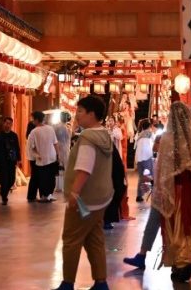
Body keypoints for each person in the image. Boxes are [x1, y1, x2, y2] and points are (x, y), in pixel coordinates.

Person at [53, 95, 113, 290]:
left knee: (71, 239)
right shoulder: (105, 135)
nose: (76, 115)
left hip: (83, 200)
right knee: (94, 239)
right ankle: (101, 282)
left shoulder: (87, 138)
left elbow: (84, 168)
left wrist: (74, 193)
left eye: (80, 111)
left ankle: (67, 283)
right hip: (101, 198)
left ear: (92, 114)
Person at [152, 101, 191, 283]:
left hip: (172, 188)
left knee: (173, 225)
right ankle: (187, 259)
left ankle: (178, 262)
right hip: (188, 187)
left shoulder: (166, 140)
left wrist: (163, 186)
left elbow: (161, 168)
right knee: (187, 224)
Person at [123, 134, 162, 270]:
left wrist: (151, 180)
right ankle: (141, 255)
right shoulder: (159, 159)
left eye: (156, 142)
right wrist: (151, 180)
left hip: (163, 199)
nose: (154, 145)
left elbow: (164, 180)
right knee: (153, 227)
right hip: (161, 198)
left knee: (157, 227)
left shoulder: (164, 159)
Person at [29, 111, 59, 202]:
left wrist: (37, 155)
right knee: (51, 177)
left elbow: (32, 147)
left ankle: (44, 196)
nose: (32, 121)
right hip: (52, 157)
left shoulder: (34, 131)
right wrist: (57, 155)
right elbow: (55, 143)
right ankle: (49, 194)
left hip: (42, 159)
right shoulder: (50, 128)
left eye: (33, 119)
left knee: (43, 178)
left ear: (37, 120)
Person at [0, 117, 21, 205]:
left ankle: (3, 192)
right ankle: (4, 197)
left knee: (11, 180)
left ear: (11, 125)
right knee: (4, 179)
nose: (7, 125)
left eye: (9, 123)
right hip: (2, 161)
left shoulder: (14, 135)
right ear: (3, 124)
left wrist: (19, 160)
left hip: (12, 161)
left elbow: (17, 148)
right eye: (6, 123)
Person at [135, 119, 154, 202]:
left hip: (139, 158)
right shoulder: (150, 134)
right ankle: (153, 193)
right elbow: (154, 144)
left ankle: (139, 196)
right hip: (147, 156)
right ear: (149, 126)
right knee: (150, 175)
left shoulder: (138, 135)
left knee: (141, 177)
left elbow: (135, 146)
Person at [54, 111, 72, 191]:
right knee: (65, 168)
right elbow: (69, 138)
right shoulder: (68, 128)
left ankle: (58, 186)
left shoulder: (55, 127)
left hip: (58, 148)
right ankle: (65, 186)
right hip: (65, 149)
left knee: (58, 167)